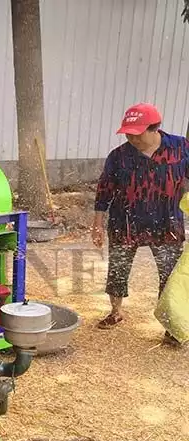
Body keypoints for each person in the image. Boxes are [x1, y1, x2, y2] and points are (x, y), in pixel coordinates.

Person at [92, 103, 187, 344]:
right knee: (118, 269)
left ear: (155, 128)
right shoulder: (119, 156)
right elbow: (105, 190)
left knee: (170, 276)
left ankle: (172, 326)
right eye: (127, 132)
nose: (131, 137)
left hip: (167, 223)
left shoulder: (180, 148)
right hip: (125, 223)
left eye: (137, 132)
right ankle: (115, 312)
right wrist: (97, 223)